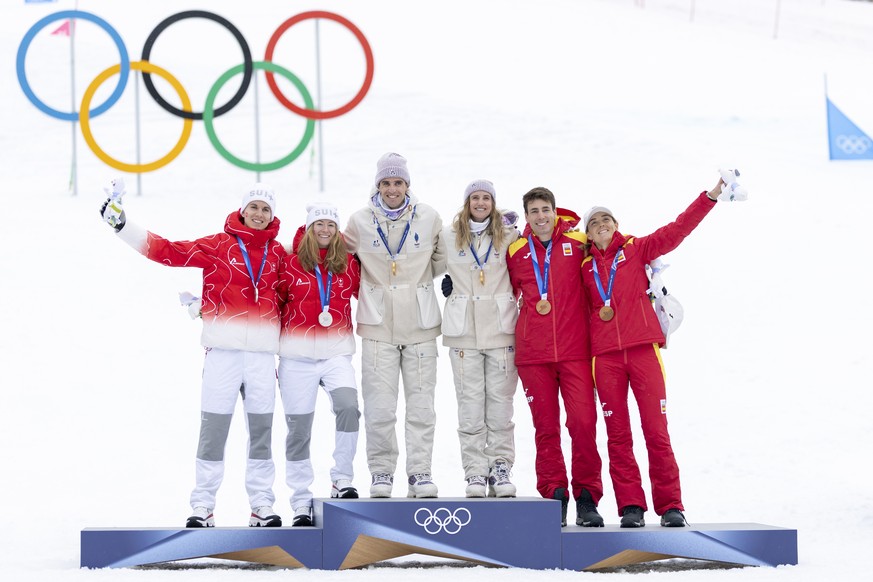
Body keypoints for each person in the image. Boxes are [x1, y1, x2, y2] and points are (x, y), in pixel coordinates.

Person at [99, 180, 286, 528]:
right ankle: (203, 506)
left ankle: (262, 505)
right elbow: (168, 251)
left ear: (272, 216)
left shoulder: (279, 254)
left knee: (261, 433)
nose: (259, 214)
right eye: (254, 207)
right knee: (213, 432)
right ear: (243, 210)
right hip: (223, 356)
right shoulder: (217, 245)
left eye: (266, 209)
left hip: (261, 358)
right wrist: (123, 226)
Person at [581, 178, 727, 528]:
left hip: (644, 351)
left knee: (656, 431)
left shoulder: (636, 249)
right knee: (618, 435)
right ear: (586, 233)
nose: (602, 225)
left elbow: (677, 230)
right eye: (594, 222)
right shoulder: (582, 267)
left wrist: (710, 196)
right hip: (606, 358)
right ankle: (631, 506)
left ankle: (671, 506)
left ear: (616, 225)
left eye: (607, 220)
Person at [343, 152, 446, 498]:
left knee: (421, 406)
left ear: (407, 185)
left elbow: (441, 259)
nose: (392, 189)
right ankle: (381, 472)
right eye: (386, 183)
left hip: (420, 325)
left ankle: (419, 473)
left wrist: (416, 287)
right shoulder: (359, 221)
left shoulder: (429, 217)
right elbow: (337, 257)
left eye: (398, 182)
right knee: (379, 407)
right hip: (377, 327)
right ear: (378, 185)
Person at [506, 187, 604, 527]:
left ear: (554, 210)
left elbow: (605, 264)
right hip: (533, 355)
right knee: (545, 429)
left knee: (583, 424)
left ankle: (587, 497)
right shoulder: (516, 249)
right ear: (527, 215)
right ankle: (555, 496)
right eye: (533, 211)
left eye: (545, 209)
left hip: (576, 351)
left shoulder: (578, 243)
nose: (541, 216)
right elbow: (492, 286)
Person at [277, 203, 362, 527]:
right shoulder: (289, 262)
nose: (325, 230)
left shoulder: (348, 263)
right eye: (319, 224)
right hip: (296, 358)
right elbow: (272, 300)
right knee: (298, 430)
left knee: (349, 408)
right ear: (309, 228)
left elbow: (369, 292)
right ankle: (300, 500)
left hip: (336, 354)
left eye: (330, 225)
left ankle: (342, 479)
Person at [440, 179, 520, 498]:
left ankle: (500, 468)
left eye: (486, 198)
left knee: (500, 407)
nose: (481, 203)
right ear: (467, 202)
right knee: (470, 407)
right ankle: (475, 471)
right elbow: (421, 264)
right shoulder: (449, 236)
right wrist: (446, 282)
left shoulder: (510, 235)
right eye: (475, 197)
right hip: (463, 333)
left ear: (493, 202)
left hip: (501, 330)